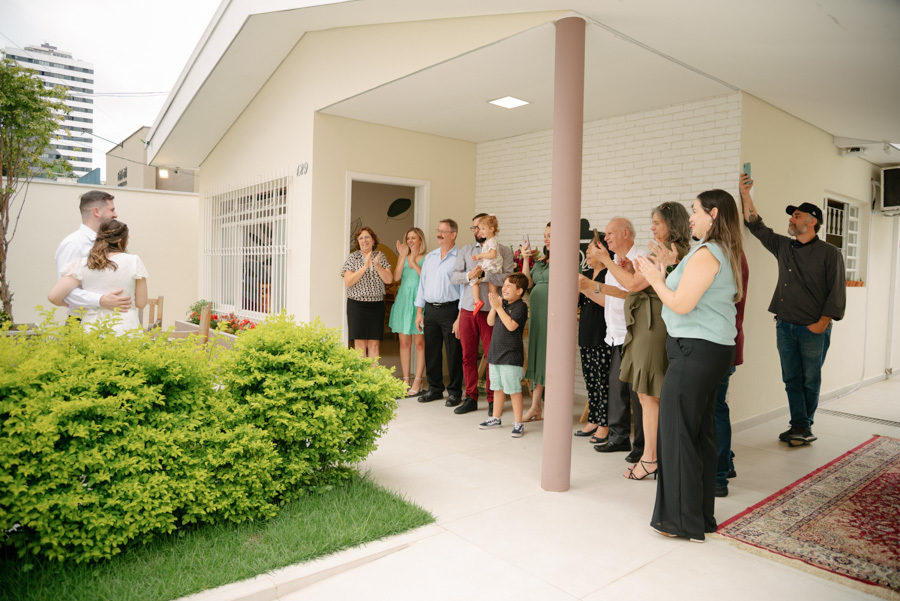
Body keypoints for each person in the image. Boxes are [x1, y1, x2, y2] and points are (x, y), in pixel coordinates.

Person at [635, 188, 745, 543]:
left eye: (695, 211)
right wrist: (665, 268)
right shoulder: (715, 251)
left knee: (678, 434)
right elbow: (688, 296)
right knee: (698, 434)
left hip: (696, 351)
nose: (691, 218)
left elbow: (680, 304)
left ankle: (679, 521)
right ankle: (698, 516)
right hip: (707, 350)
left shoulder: (708, 253)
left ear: (713, 213)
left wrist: (653, 279)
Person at [739, 173, 846, 446]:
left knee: (810, 380)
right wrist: (746, 194)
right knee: (791, 379)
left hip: (813, 327)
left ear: (812, 222)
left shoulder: (829, 253)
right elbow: (756, 226)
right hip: (784, 325)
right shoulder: (784, 246)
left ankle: (802, 426)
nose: (791, 219)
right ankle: (801, 426)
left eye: (796, 216)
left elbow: (836, 290)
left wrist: (823, 322)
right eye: (792, 216)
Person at [592, 204, 691, 480]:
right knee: (648, 395)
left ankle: (650, 458)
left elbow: (634, 286)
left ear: (671, 224)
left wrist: (608, 261)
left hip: (653, 325)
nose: (652, 228)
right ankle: (651, 456)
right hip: (649, 323)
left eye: (657, 223)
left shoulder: (667, 251)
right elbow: (637, 281)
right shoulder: (670, 250)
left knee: (649, 395)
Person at [592, 218, 646, 464]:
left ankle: (643, 446)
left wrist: (598, 285)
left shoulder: (640, 257)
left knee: (638, 394)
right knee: (617, 388)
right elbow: (611, 301)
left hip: (635, 335)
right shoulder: (614, 264)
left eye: (611, 233)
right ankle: (619, 437)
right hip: (615, 335)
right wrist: (587, 288)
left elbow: (630, 293)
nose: (607, 238)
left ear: (626, 233)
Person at [450, 214, 514, 415]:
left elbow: (509, 277)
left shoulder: (502, 250)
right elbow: (454, 277)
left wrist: (486, 276)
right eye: (474, 228)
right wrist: (471, 275)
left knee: (491, 356)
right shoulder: (466, 250)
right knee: (468, 356)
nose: (477, 231)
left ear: (489, 228)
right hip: (468, 309)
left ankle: (494, 399)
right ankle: (470, 397)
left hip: (492, 310)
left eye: (480, 227)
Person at [49, 220, 148, 335]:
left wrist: (69, 303)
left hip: (91, 326)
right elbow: (141, 303)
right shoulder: (134, 261)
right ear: (120, 241)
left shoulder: (83, 263)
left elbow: (54, 297)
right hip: (125, 325)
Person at [54, 190, 132, 317]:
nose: (115, 215)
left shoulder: (110, 242)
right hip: (83, 320)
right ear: (97, 211)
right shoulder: (73, 244)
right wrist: (101, 300)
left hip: (112, 319)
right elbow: (65, 291)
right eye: (112, 210)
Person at [415, 219, 463, 406]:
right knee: (432, 352)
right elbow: (422, 285)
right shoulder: (430, 257)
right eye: (438, 230)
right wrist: (420, 312)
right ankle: (434, 389)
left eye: (444, 231)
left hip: (451, 309)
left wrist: (459, 317)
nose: (439, 234)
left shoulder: (460, 257)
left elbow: (464, 290)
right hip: (430, 310)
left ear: (453, 234)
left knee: (453, 353)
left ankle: (454, 392)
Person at [714, 251, 749, 497]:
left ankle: (718, 477)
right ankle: (725, 464)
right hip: (722, 344)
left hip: (720, 344)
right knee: (716, 408)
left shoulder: (727, 255)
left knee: (715, 410)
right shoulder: (728, 254)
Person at [477, 273, 530, 437]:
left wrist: (499, 308)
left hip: (510, 356)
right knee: (497, 388)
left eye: (509, 286)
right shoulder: (503, 304)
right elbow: (490, 322)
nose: (504, 288)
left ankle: (518, 422)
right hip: (495, 354)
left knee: (513, 390)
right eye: (504, 285)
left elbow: (511, 326)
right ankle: (496, 418)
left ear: (519, 291)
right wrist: (495, 306)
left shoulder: (521, 307)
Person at [573, 239, 615, 443]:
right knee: (591, 380)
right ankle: (593, 418)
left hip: (603, 334)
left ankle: (604, 424)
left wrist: (585, 288)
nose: (587, 253)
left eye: (591, 250)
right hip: (586, 333)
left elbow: (607, 303)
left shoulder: (610, 275)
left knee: (603, 382)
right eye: (587, 250)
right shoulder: (588, 275)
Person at [341, 226, 393, 360]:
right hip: (357, 305)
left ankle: (374, 379)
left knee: (374, 344)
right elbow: (348, 281)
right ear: (357, 241)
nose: (364, 241)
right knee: (360, 344)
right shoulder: (353, 257)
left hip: (376, 305)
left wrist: (377, 265)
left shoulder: (380, 256)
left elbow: (389, 279)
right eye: (361, 238)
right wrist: (365, 266)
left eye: (367, 237)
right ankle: (362, 379)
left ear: (373, 240)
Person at [388, 227, 427, 396]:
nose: (410, 240)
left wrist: (413, 263)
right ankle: (405, 380)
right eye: (408, 238)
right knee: (404, 343)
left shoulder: (427, 258)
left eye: (414, 238)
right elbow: (396, 278)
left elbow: (425, 278)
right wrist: (404, 257)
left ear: (420, 240)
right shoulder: (403, 257)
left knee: (419, 344)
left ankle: (418, 380)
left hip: (419, 302)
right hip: (403, 301)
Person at [520, 222, 550, 422]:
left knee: (549, 359)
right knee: (537, 356)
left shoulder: (566, 259)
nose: (546, 238)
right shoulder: (541, 261)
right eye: (545, 235)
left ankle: (539, 406)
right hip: (538, 314)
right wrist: (526, 259)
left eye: (550, 235)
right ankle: (536, 406)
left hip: (553, 314)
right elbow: (526, 283)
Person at [469, 215, 504, 313]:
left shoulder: (491, 242)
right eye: (479, 229)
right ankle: (501, 306)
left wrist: (479, 255)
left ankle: (477, 301)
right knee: (493, 291)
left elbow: (492, 254)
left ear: (491, 229)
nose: (480, 231)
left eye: (483, 229)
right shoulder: (489, 242)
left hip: (490, 269)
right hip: (492, 269)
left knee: (474, 281)